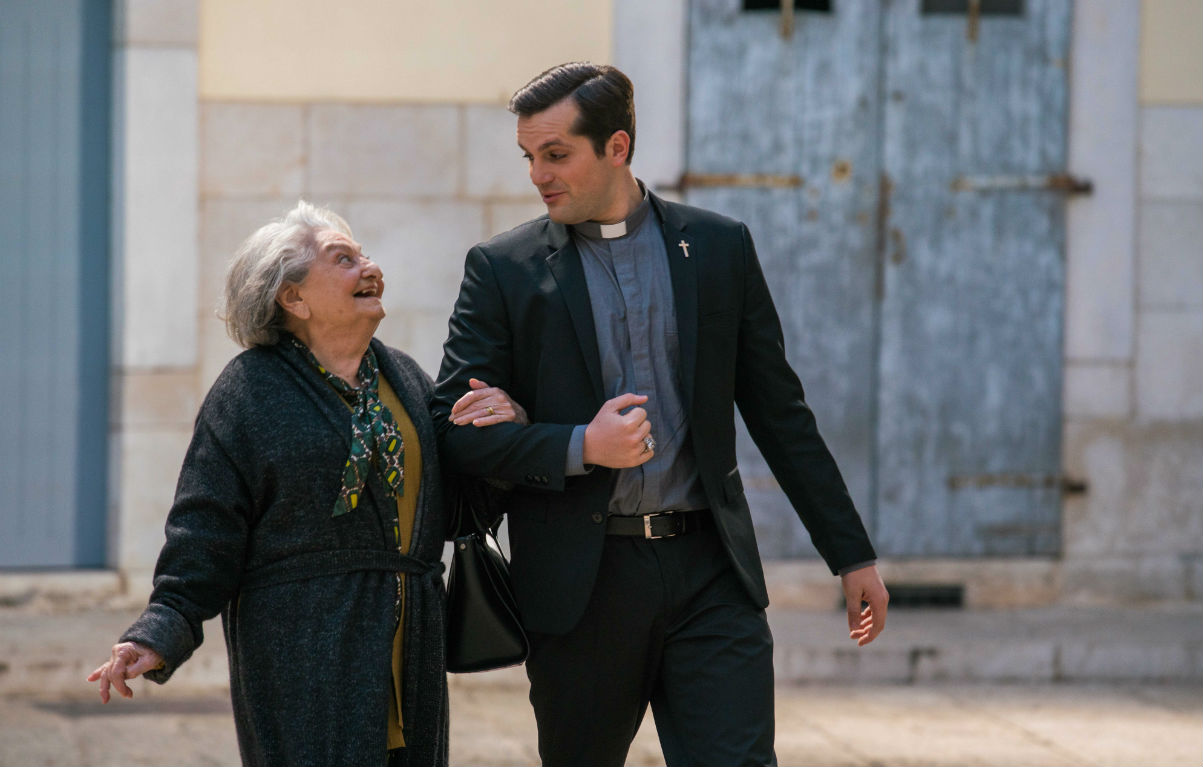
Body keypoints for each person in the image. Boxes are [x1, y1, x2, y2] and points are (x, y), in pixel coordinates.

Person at [433, 62, 889, 766]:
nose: (537, 174)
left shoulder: (717, 246)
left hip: (712, 570)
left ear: (616, 146)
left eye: (556, 154)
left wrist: (849, 550)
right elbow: (454, 433)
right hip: (582, 584)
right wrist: (581, 443)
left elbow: (779, 412)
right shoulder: (503, 268)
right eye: (529, 157)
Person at [87, 201, 523, 767]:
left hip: (410, 646)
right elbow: (205, 530)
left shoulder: (407, 381)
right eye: (344, 259)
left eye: (365, 254)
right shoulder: (246, 394)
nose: (371, 268)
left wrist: (505, 440)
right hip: (300, 650)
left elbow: (455, 511)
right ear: (292, 298)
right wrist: (160, 630)